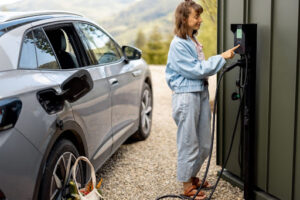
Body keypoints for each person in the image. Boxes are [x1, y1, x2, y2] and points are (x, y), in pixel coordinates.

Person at [165, 0, 239, 199]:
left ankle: (192, 175)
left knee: (204, 142)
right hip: (186, 97)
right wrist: (221, 58)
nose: (200, 20)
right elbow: (197, 70)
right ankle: (187, 185)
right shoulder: (178, 44)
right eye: (196, 16)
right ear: (184, 19)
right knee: (188, 142)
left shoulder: (192, 41)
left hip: (199, 94)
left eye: (199, 16)